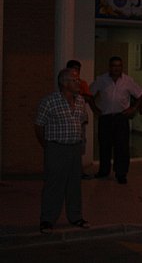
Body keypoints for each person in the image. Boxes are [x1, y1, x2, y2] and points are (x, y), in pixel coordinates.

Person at [34, 68, 90, 234]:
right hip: (56, 148)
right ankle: (47, 220)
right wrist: (48, 146)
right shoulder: (49, 101)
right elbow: (38, 126)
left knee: (74, 185)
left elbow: (82, 123)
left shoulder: (80, 101)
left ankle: (75, 216)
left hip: (74, 149)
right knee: (54, 185)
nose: (78, 83)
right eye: (75, 80)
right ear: (64, 83)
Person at [90, 56, 142, 184]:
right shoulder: (101, 80)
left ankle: (121, 173)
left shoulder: (128, 80)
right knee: (104, 146)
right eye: (114, 66)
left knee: (122, 147)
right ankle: (104, 171)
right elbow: (89, 94)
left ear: (121, 67)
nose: (116, 68)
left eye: (119, 66)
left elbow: (140, 93)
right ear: (110, 67)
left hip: (121, 118)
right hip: (105, 118)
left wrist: (133, 108)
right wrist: (95, 109)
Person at [66, 60, 96, 179]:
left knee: (79, 146)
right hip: (67, 120)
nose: (76, 71)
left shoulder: (82, 83)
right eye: (74, 68)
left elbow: (88, 97)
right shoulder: (64, 82)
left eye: (78, 69)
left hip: (80, 119)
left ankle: (79, 172)